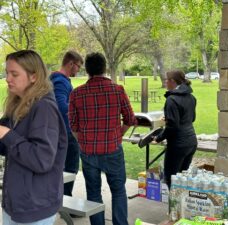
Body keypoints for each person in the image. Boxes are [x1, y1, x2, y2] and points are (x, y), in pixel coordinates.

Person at [0, 50, 67, 224]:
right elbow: (5, 146)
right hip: (15, 203)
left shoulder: (44, 108)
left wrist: (7, 135)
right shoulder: (17, 104)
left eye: (14, 74)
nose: (8, 78)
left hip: (35, 206)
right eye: (7, 73)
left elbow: (41, 159)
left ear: (34, 77)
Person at [68, 52, 136, 225]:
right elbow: (130, 119)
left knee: (93, 193)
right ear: (105, 68)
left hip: (89, 152)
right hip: (112, 149)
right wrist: (117, 134)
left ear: (88, 70)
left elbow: (73, 126)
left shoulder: (77, 93)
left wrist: (83, 141)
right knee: (118, 190)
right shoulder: (117, 90)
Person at [154, 70, 197, 189]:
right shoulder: (191, 97)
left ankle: (175, 207)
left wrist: (158, 138)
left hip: (178, 145)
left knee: (172, 180)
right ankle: (181, 206)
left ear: (172, 81)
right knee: (182, 180)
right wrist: (169, 117)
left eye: (166, 80)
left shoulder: (171, 99)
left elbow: (172, 126)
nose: (165, 82)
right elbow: (191, 118)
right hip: (191, 143)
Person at [49, 50, 83, 198]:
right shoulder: (60, 81)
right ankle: (65, 202)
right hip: (65, 131)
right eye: (78, 66)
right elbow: (61, 106)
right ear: (71, 63)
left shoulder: (57, 79)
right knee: (70, 167)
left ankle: (60, 199)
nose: (78, 70)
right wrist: (79, 114)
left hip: (59, 130)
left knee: (61, 167)